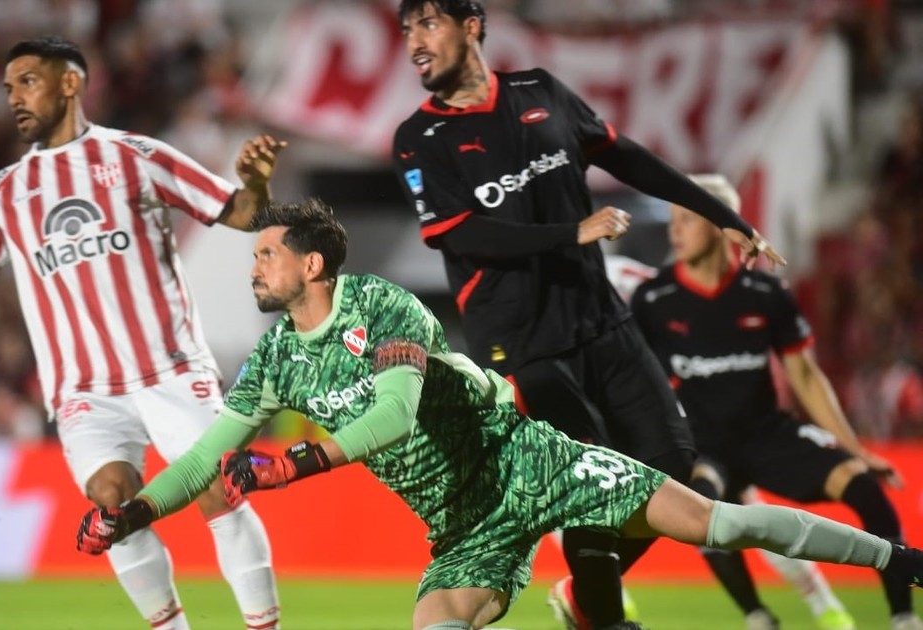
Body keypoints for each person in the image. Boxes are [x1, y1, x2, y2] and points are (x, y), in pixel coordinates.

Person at [72, 198, 923, 630]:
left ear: (314, 266)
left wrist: (298, 462)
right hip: (460, 521)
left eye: (266, 255)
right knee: (434, 623)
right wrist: (133, 514)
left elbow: (395, 416)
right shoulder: (273, 361)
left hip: (528, 459)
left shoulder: (381, 305)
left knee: (721, 525)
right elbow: (203, 459)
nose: (254, 268)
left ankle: (903, 560)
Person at [0, 36, 283, 630]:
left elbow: (241, 212)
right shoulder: (7, 191)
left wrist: (257, 184)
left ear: (70, 83)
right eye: (8, 88)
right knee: (112, 505)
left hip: (169, 367)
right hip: (84, 390)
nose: (14, 97)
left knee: (218, 488)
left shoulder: (135, 156)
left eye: (27, 81)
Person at [389, 1, 787, 627]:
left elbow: (624, 155)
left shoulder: (539, 91)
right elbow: (463, 235)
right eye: (407, 29)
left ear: (472, 27)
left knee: (675, 463)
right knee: (590, 476)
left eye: (428, 23)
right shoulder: (420, 138)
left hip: (601, 320)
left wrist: (721, 215)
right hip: (522, 344)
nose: (414, 40)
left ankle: (584, 595)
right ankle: (604, 618)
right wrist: (571, 232)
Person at [630, 175, 922, 630]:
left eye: (687, 218)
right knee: (699, 503)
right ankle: (758, 616)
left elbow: (805, 375)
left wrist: (855, 448)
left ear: (721, 225)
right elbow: (636, 379)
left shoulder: (765, 293)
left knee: (864, 485)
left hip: (768, 435)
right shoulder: (653, 298)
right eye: (673, 219)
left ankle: (904, 617)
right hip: (705, 446)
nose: (674, 230)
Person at [607, 253, 858, 630]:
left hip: (685, 420)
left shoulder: (618, 279)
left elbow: (679, 314)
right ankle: (792, 609)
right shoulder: (592, 279)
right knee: (711, 515)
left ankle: (817, 605)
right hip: (649, 419)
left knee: (721, 513)